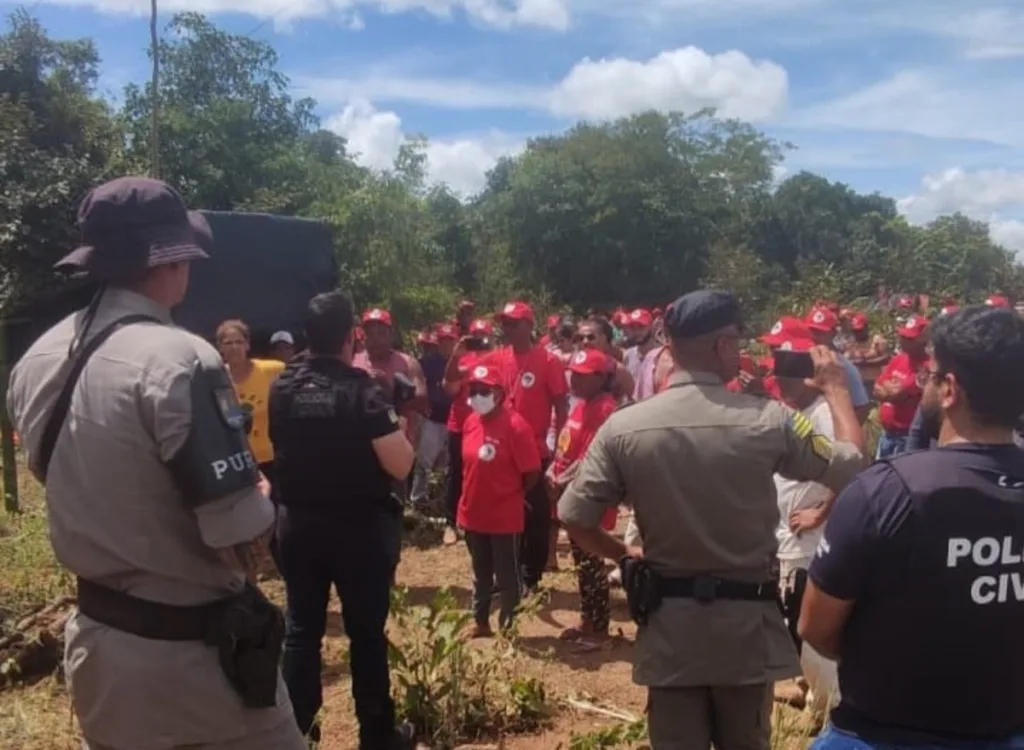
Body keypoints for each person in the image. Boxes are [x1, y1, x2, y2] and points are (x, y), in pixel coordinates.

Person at [6, 176, 305, 750]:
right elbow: (242, 544)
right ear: (173, 262)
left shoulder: (37, 358)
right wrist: (259, 498)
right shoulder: (183, 358)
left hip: (98, 651)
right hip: (195, 667)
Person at [558, 289, 866, 750]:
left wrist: (623, 552)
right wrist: (838, 392)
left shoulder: (624, 425)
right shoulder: (771, 420)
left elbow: (575, 517)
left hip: (669, 630)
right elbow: (852, 465)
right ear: (722, 347)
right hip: (744, 633)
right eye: (738, 343)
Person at [799, 305, 1024, 750]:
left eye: (930, 375)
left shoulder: (885, 492)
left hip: (883, 733)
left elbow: (816, 627)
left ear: (950, 390)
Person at [268, 291, 416, 749]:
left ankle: (301, 736)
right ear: (352, 335)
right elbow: (400, 465)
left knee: (301, 632)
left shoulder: (283, 386)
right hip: (358, 530)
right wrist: (402, 428)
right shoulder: (363, 391)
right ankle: (376, 735)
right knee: (366, 635)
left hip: (298, 526)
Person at [771, 329, 840, 718]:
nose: (780, 380)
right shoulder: (798, 413)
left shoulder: (826, 416)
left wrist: (821, 512)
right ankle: (813, 693)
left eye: (789, 372)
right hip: (791, 535)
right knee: (792, 617)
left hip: (812, 538)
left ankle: (830, 709)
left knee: (807, 624)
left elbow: (851, 470)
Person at [457, 362, 542, 637]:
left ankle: (508, 626)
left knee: (507, 575)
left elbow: (531, 472)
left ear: (499, 393)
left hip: (504, 514)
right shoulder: (471, 422)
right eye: (474, 390)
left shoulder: (516, 426)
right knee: (480, 572)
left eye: (484, 390)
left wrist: (513, 494)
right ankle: (480, 622)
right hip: (472, 512)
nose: (477, 396)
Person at [494, 300, 569, 592]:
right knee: (505, 512)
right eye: (505, 323)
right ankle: (507, 572)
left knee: (536, 515)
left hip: (536, 450)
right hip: (502, 448)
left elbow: (561, 407)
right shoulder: (499, 358)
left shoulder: (548, 361)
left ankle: (531, 575)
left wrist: (559, 448)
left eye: (513, 323)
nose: (507, 329)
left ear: (528, 325)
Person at [547, 348, 619, 644]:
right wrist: (552, 471)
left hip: (589, 496)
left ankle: (599, 628)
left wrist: (560, 481)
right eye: (573, 375)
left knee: (592, 563)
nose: (575, 381)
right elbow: (565, 449)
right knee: (582, 562)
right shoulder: (579, 405)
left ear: (601, 378)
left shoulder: (604, 408)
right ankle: (587, 620)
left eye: (582, 376)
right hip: (570, 494)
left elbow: (590, 458)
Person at [442, 319, 496, 541]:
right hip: (461, 425)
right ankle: (451, 523)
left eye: (483, 336)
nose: (480, 341)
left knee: (487, 472)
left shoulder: (498, 360)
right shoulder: (462, 362)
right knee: (456, 473)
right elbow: (449, 386)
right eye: (475, 336)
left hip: (489, 425)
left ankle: (481, 518)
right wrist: (456, 355)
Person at [217, 319, 285, 481]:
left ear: (248, 345)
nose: (234, 347)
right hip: (237, 462)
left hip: (271, 459)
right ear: (220, 348)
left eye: (239, 342)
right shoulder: (216, 378)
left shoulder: (273, 370)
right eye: (228, 343)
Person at [410, 323, 456, 511]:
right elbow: (418, 385)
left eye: (449, 341)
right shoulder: (428, 363)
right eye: (443, 340)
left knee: (446, 464)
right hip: (433, 418)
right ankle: (418, 498)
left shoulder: (459, 362)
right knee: (425, 460)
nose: (446, 344)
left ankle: (440, 499)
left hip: (453, 420)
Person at [873, 314, 930, 459]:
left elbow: (896, 393)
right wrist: (897, 396)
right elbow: (877, 388)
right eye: (903, 336)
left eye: (909, 338)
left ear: (923, 341)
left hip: (906, 436)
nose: (903, 341)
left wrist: (892, 393)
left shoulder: (927, 367)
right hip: (887, 434)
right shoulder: (899, 359)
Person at [805, 305, 872, 423]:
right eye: (811, 330)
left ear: (833, 333)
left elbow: (862, 407)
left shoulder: (844, 367)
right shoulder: (802, 359)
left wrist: (844, 434)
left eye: (820, 332)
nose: (814, 336)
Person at [842, 313, 890, 394]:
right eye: (855, 331)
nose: (858, 333)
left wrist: (865, 362)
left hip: (875, 380)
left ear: (866, 328)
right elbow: (846, 361)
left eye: (860, 330)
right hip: (858, 381)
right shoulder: (850, 343)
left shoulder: (877, 340)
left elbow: (886, 359)